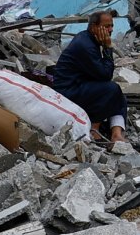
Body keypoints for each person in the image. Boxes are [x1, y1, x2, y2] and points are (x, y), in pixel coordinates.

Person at [52, 10, 127, 151]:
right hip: (68, 91)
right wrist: (108, 48)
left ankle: (116, 134)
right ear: (93, 27)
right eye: (106, 26)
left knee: (118, 95)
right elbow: (105, 74)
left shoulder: (91, 39)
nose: (110, 30)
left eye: (111, 26)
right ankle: (94, 127)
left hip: (82, 84)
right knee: (112, 89)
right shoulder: (85, 45)